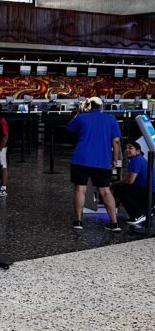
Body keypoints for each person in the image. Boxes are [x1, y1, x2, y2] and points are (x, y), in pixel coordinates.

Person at [66, 96, 122, 231]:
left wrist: (80, 112)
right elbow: (116, 142)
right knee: (105, 191)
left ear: (88, 106)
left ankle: (78, 221)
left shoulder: (82, 117)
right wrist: (115, 159)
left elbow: (70, 129)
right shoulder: (111, 119)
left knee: (80, 189)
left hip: (81, 159)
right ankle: (114, 223)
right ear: (102, 107)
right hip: (102, 160)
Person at [113, 142, 154, 225]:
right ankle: (147, 211)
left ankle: (138, 214)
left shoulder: (135, 160)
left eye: (130, 148)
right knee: (124, 187)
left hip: (151, 195)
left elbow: (129, 181)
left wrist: (114, 184)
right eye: (126, 148)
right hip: (150, 194)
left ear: (138, 151)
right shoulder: (141, 159)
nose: (127, 150)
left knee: (120, 188)